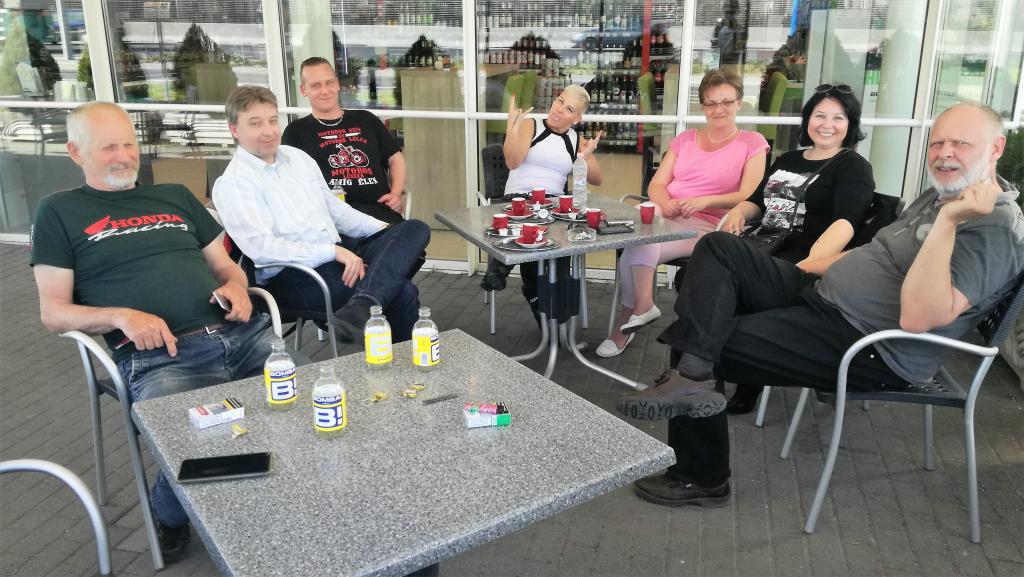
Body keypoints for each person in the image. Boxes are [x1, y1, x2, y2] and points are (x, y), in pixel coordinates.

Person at [614, 102, 1024, 508]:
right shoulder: (942, 195)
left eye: (960, 144)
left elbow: (918, 318)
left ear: (996, 148)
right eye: (937, 143)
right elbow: (875, 252)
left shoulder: (991, 226)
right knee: (719, 248)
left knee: (700, 342)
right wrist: (800, 270)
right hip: (822, 294)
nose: (944, 153)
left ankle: (701, 476)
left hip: (868, 342)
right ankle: (693, 378)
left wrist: (949, 222)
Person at [29, 102, 277, 563]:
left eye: (129, 144)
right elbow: (54, 313)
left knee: (311, 399)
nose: (124, 156)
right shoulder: (58, 212)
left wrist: (237, 288)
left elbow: (227, 267)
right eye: (109, 147)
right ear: (75, 152)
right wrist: (122, 317)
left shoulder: (175, 196)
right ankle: (169, 512)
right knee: (194, 439)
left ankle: (286, 496)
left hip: (242, 335)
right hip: (162, 356)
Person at [213, 86, 430, 343]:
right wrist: (332, 252)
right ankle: (376, 321)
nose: (269, 131)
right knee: (401, 291)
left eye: (272, 120)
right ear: (235, 129)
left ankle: (363, 303)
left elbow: (337, 211)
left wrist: (387, 233)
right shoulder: (234, 183)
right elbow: (262, 249)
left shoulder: (297, 158)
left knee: (414, 229)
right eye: (255, 123)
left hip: (337, 254)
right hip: (291, 275)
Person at [717, 83, 875, 413]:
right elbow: (757, 201)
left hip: (803, 258)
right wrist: (738, 213)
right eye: (820, 115)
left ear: (850, 124)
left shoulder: (853, 166)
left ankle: (731, 374)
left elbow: (846, 223)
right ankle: (707, 372)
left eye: (838, 117)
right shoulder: (788, 159)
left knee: (727, 284)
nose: (827, 124)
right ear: (807, 119)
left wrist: (806, 267)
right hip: (764, 245)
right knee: (702, 272)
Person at [596, 68, 768, 358]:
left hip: (708, 224)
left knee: (636, 245)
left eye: (727, 102)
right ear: (703, 107)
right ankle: (643, 306)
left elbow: (748, 194)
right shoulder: (685, 139)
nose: (719, 109)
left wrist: (704, 201)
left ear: (739, 102)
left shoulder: (752, 142)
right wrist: (666, 202)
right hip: (668, 213)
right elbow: (657, 185)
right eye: (711, 103)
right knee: (638, 225)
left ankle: (627, 323)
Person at [480, 85, 604, 322]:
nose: (559, 110)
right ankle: (544, 307)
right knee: (537, 228)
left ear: (577, 119)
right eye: (560, 101)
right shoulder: (532, 125)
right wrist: (512, 130)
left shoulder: (575, 140)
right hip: (519, 200)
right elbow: (512, 162)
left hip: (552, 206)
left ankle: (503, 268)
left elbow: (598, 179)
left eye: (569, 109)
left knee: (551, 237)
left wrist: (584, 159)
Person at [282, 56, 407, 225]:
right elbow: (290, 182)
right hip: (331, 220)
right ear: (304, 90)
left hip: (379, 214)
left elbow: (395, 158)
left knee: (418, 229)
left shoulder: (366, 119)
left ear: (337, 84)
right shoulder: (295, 131)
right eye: (316, 85)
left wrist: (396, 193)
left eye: (329, 83)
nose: (325, 90)